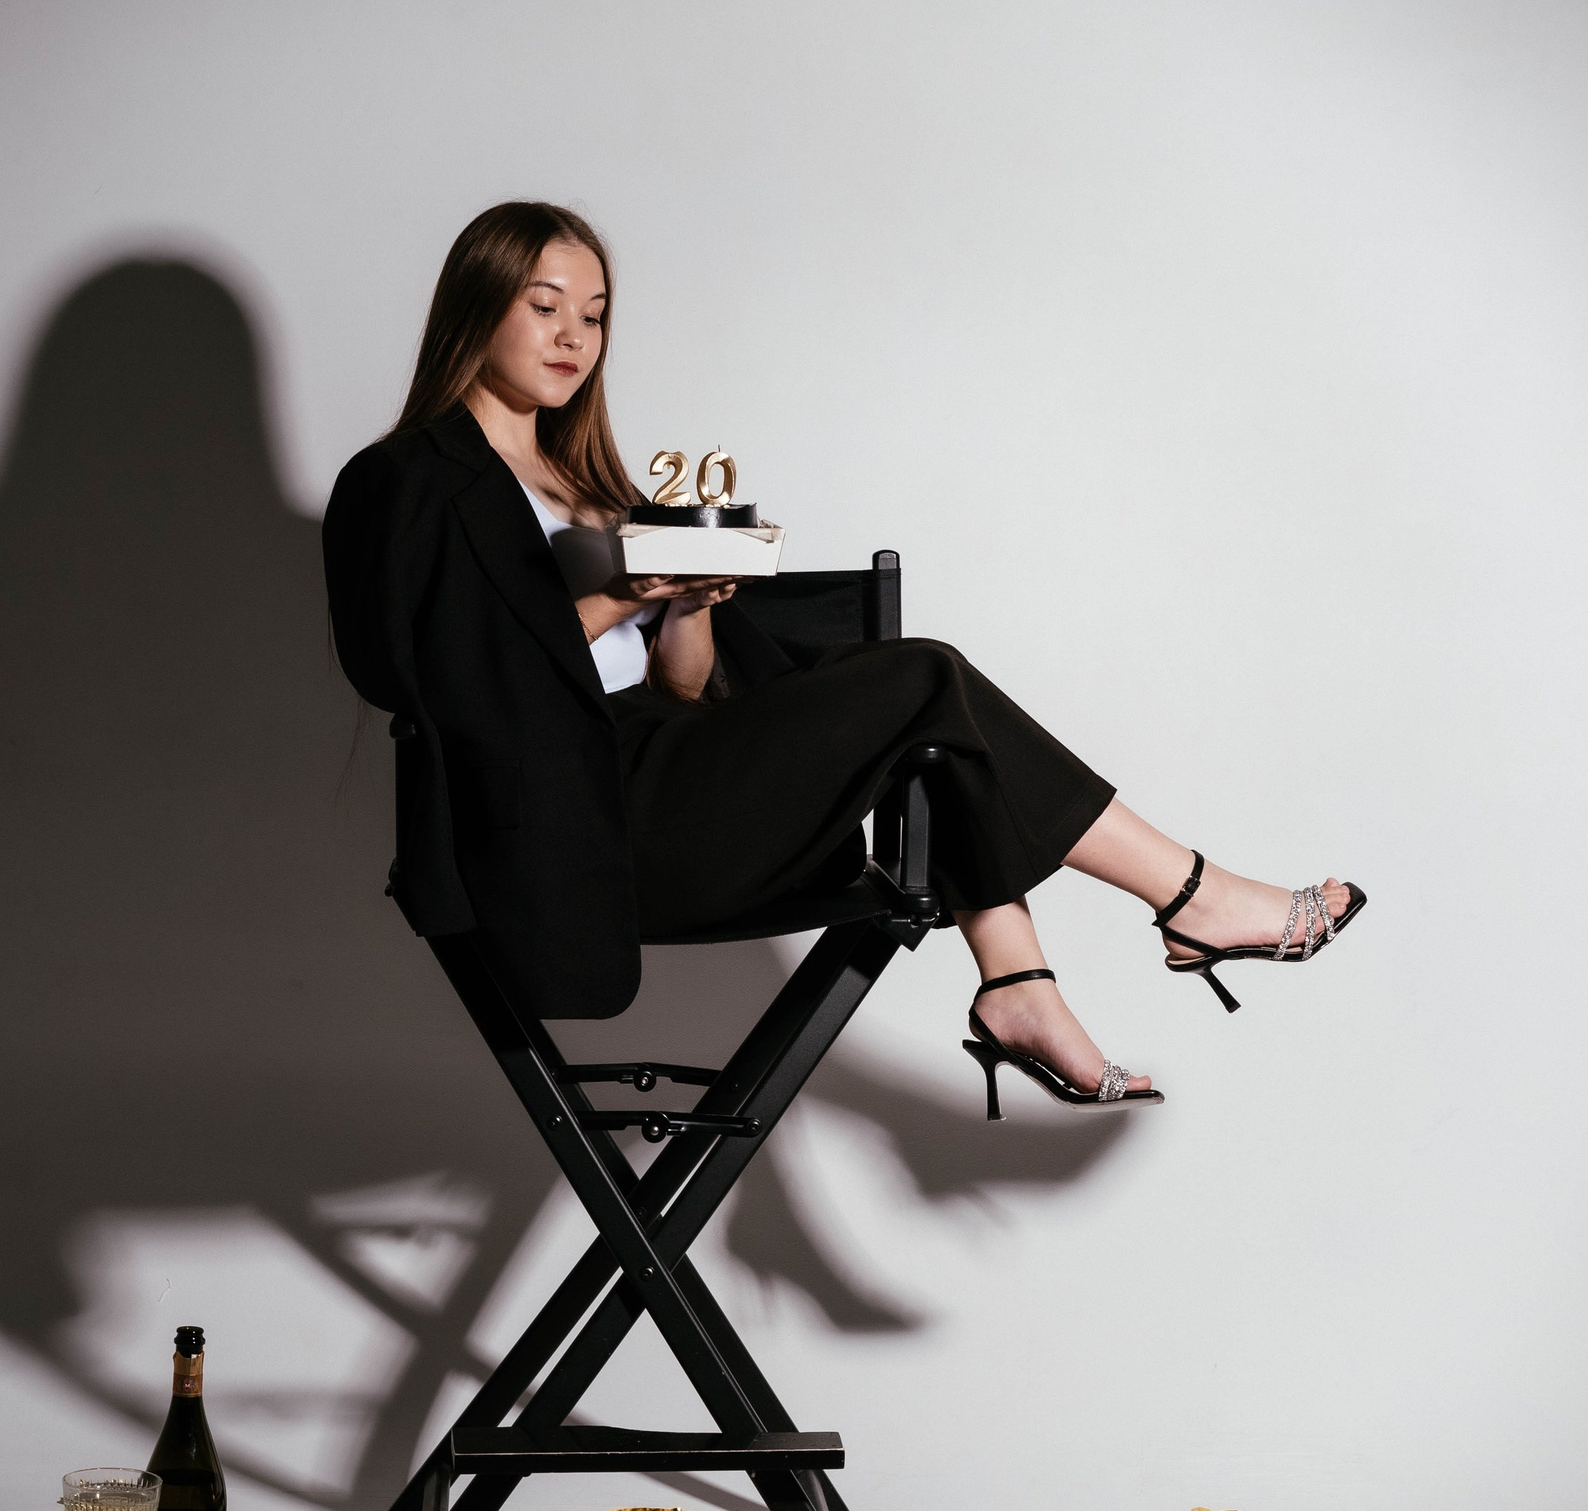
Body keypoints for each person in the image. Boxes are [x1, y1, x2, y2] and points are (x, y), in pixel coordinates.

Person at [321, 201, 1364, 1100]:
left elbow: (682, 688)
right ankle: (1182, 904)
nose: (572, 338)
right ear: (479, 306)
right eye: (545, 306)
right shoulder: (403, 478)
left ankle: (1020, 981)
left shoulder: (593, 485)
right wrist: (610, 601)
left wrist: (687, 605)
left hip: (664, 763)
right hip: (573, 813)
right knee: (922, 675)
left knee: (927, 702)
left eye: (593, 316)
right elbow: (418, 674)